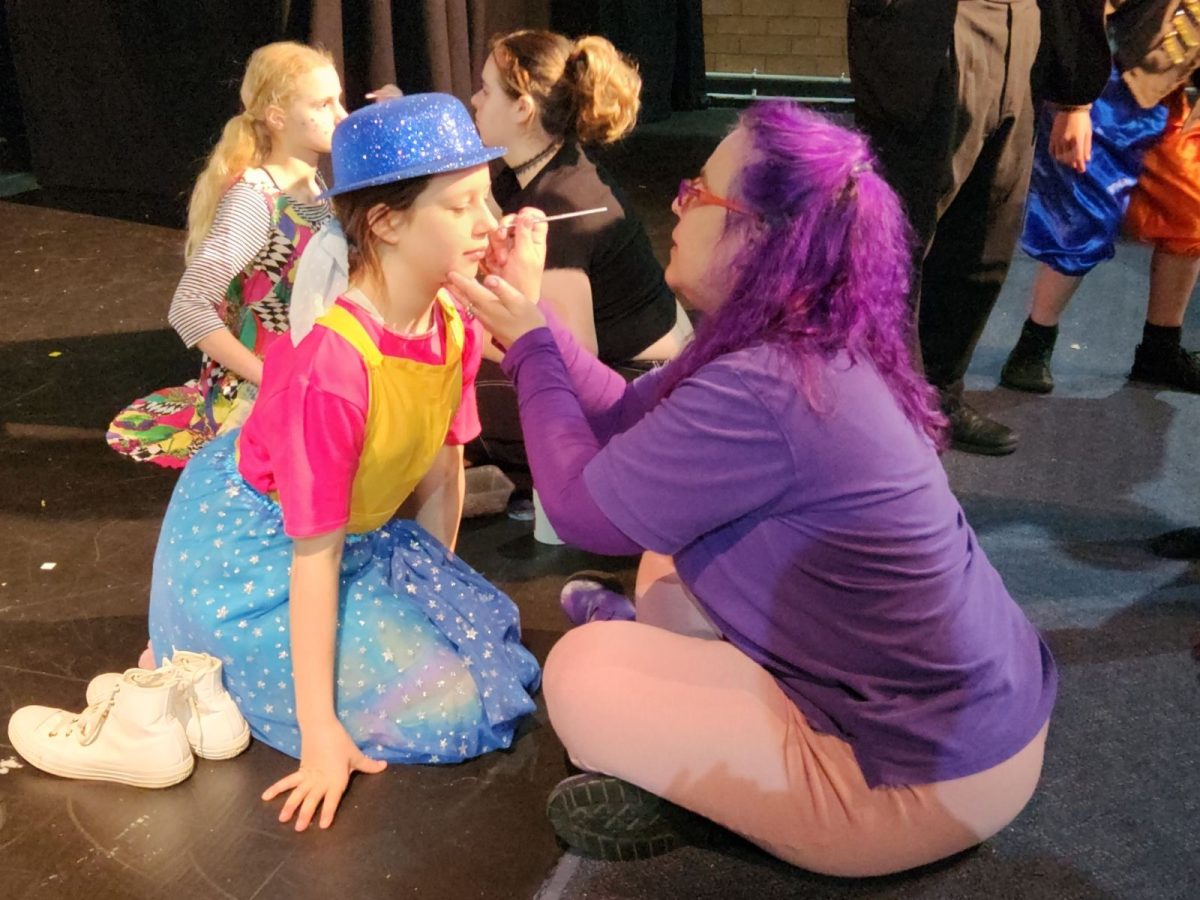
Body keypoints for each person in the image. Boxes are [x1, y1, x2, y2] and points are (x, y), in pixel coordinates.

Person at [448, 102, 1056, 875]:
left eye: (698, 192)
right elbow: (622, 409)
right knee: (664, 550)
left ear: (762, 237)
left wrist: (531, 349)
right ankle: (680, 713)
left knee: (579, 673)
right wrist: (532, 321)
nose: (676, 203)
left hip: (922, 781)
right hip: (974, 727)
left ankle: (705, 785)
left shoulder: (768, 384)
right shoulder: (786, 343)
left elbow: (573, 508)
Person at [147, 94, 538, 828]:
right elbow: (313, 554)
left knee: (489, 645)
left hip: (343, 532)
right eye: (461, 207)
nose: (490, 226)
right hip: (256, 547)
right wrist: (320, 733)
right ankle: (192, 641)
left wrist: (429, 583)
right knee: (452, 707)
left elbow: (442, 472)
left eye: (488, 198)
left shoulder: (451, 322)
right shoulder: (334, 365)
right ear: (386, 223)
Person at [846, 0, 1109, 455]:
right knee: (901, 234)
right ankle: (883, 412)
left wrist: (1076, 94)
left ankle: (940, 393)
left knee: (987, 234)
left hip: (1025, 24)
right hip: (935, 26)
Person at [106, 42, 343, 467]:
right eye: (324, 104)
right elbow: (189, 306)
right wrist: (273, 379)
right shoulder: (256, 200)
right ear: (277, 117)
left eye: (338, 101)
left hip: (312, 376)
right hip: (262, 397)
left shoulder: (314, 185)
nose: (340, 116)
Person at [1002, 3, 1200, 395]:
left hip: (1169, 79)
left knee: (1188, 205)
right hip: (1104, 78)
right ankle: (1034, 341)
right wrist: (1075, 102)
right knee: (1084, 212)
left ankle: (1160, 348)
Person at [473, 28, 692, 364]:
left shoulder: (557, 204)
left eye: (486, 92)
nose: (475, 100)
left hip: (642, 378)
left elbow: (573, 355)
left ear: (522, 109)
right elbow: (483, 215)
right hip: (650, 360)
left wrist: (458, 321)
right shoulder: (547, 165)